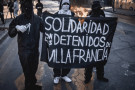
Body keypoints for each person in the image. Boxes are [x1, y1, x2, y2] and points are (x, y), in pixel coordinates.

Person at [8, 0, 44, 90]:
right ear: (22, 8)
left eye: (30, 6)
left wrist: (48, 18)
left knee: (33, 69)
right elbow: (11, 33)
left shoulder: (37, 19)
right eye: (26, 7)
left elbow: (45, 29)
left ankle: (32, 83)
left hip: (35, 50)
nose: (28, 9)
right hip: (24, 51)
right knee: (27, 71)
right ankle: (29, 87)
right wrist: (16, 28)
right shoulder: (18, 19)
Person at [84, 1, 108, 84]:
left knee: (100, 61)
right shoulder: (89, 15)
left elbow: (106, 26)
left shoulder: (102, 14)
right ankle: (87, 77)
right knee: (89, 62)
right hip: (91, 42)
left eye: (98, 8)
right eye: (96, 8)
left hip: (100, 42)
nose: (97, 9)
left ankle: (100, 76)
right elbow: (85, 28)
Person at [53, 0, 75, 84]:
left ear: (69, 5)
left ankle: (64, 74)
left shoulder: (72, 14)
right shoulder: (56, 14)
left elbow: (76, 25)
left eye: (67, 4)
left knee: (67, 58)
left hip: (69, 40)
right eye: (64, 4)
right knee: (58, 57)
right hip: (58, 41)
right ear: (61, 5)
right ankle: (57, 75)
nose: (66, 5)